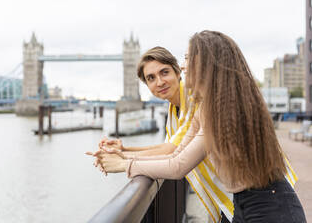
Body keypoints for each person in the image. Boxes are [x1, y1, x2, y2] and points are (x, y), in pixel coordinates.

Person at [90, 31, 306, 223]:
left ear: (207, 64)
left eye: (186, 59)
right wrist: (124, 155)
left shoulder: (219, 107)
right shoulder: (207, 106)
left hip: (268, 205)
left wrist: (123, 165)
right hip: (242, 202)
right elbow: (177, 150)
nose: (183, 66)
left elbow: (177, 164)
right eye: (151, 78)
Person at [89, 46, 235, 222]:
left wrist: (123, 162)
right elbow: (169, 148)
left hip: (244, 197)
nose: (159, 82)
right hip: (227, 200)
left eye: (164, 72)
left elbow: (172, 152)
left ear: (178, 72)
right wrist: (124, 151)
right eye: (151, 78)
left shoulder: (193, 99)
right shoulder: (174, 108)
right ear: (147, 85)